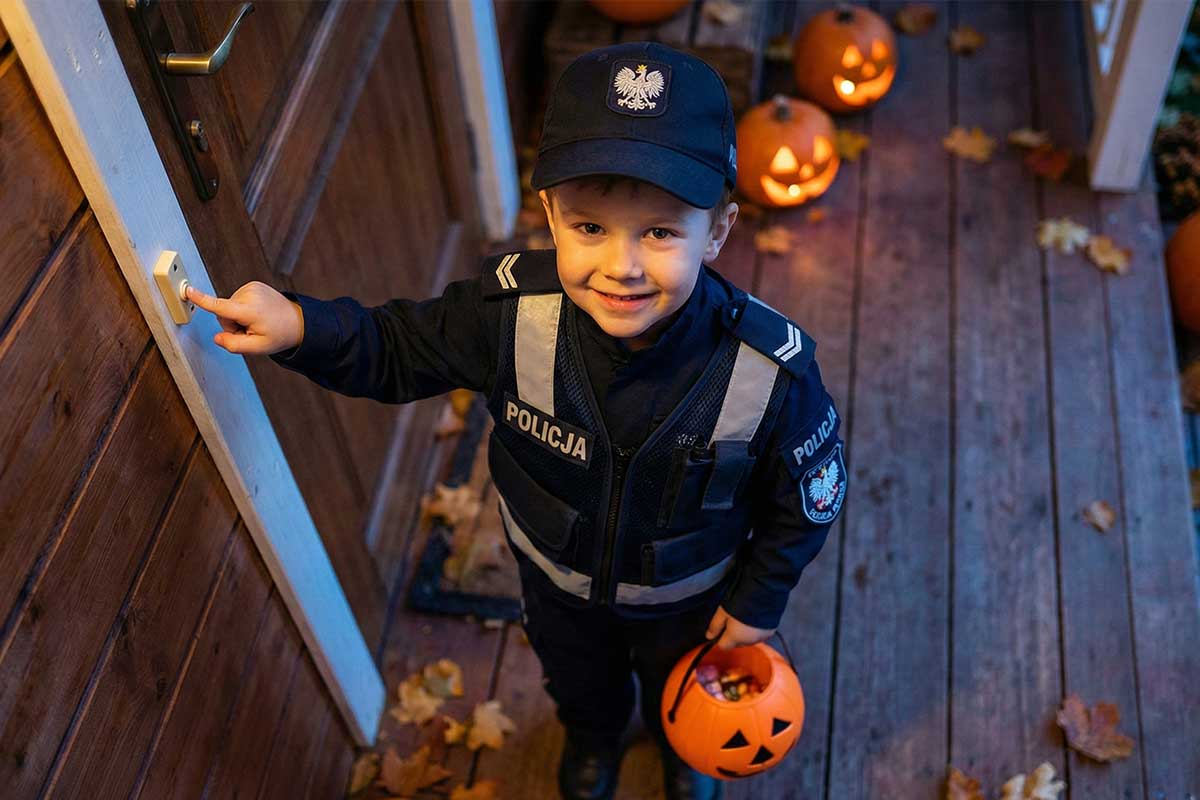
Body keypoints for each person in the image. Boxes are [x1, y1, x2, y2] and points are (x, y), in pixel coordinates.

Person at [186, 41, 847, 800]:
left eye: (660, 233)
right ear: (551, 218)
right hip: (556, 583)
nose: (622, 266)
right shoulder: (508, 319)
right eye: (591, 228)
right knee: (579, 683)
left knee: (685, 691)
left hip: (688, 602)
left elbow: (811, 499)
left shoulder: (766, 372)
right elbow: (398, 347)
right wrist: (304, 326)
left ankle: (685, 749)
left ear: (719, 232)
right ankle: (595, 741)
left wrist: (756, 601)